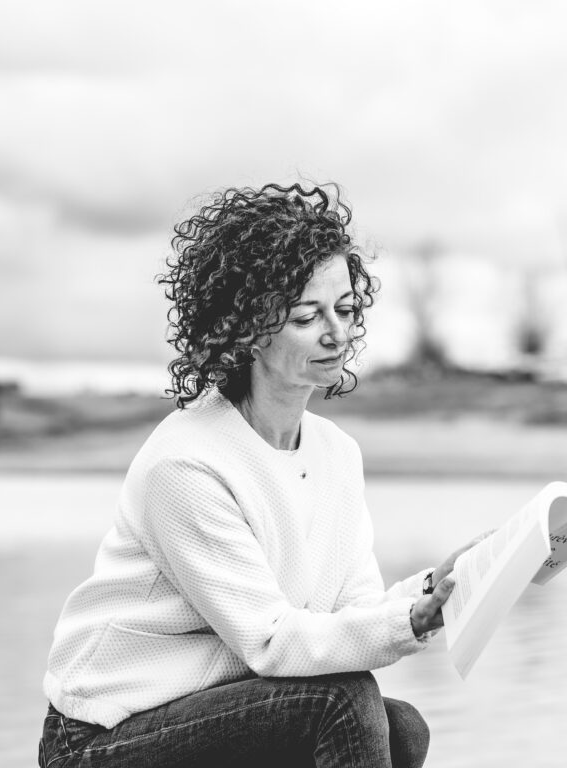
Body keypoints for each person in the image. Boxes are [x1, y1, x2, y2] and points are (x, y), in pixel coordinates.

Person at [38, 182, 478, 768]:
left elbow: (355, 615)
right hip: (103, 736)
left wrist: (435, 592)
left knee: (402, 726)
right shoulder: (186, 464)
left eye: (345, 309)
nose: (337, 333)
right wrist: (409, 621)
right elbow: (269, 642)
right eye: (307, 315)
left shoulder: (338, 455)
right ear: (246, 327)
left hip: (222, 709)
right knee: (343, 703)